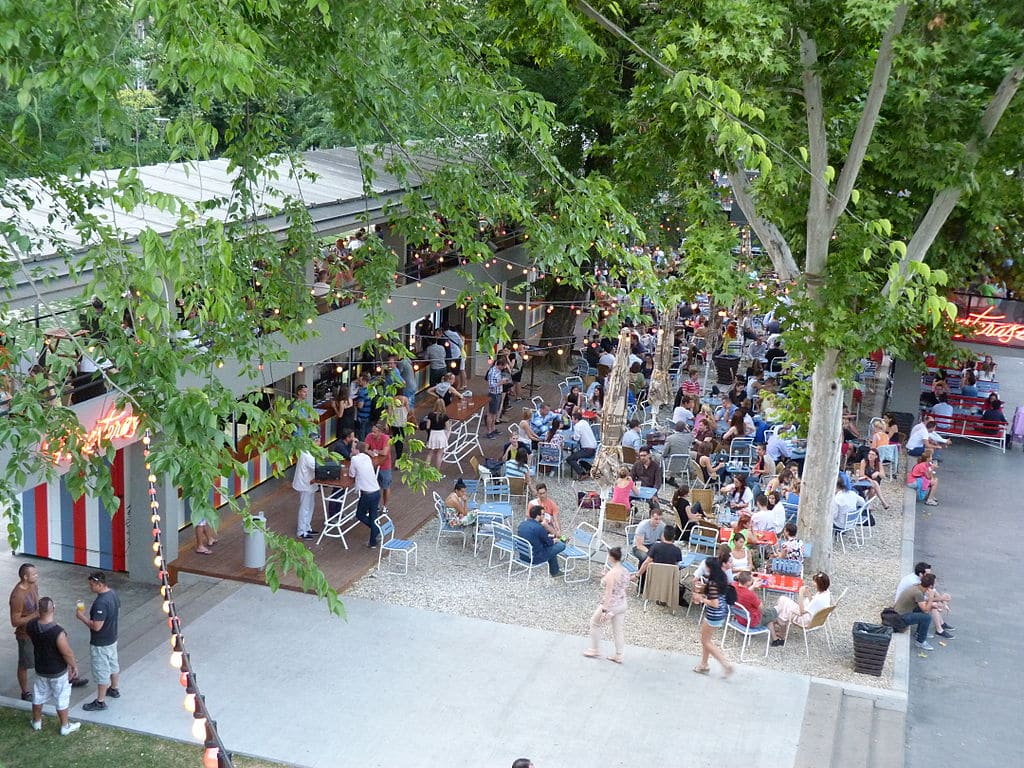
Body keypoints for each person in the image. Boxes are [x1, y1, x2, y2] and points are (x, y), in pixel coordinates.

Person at [27, 597, 81, 735]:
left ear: (39, 610)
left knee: (38, 695)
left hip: (41, 668)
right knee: (61, 696)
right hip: (57, 671)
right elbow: (66, 653)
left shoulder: (31, 625)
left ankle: (37, 722)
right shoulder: (58, 632)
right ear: (54, 609)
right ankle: (65, 726)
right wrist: (73, 665)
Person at [77, 571, 120, 711]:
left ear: (100, 584)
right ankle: (113, 689)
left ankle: (100, 701)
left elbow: (96, 626)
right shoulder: (113, 594)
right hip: (112, 638)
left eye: (92, 584)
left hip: (101, 643)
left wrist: (81, 617)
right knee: (113, 664)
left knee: (102, 671)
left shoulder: (101, 603)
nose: (89, 587)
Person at [584, 546, 631, 663]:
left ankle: (594, 649)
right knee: (618, 630)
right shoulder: (625, 571)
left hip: (612, 605)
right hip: (622, 603)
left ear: (611, 557)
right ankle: (619, 655)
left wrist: (605, 610)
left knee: (595, 623)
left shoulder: (611, 574)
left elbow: (608, 593)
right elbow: (622, 587)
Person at [691, 556, 734, 676]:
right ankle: (704, 664)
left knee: (705, 641)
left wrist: (701, 599)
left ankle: (725, 664)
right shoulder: (721, 577)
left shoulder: (713, 583)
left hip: (713, 614)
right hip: (721, 612)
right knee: (706, 640)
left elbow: (714, 603)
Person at [769, 572, 831, 646]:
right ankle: (780, 623)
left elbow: (801, 612)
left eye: (815, 582)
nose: (813, 583)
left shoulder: (818, 599)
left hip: (804, 619)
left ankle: (780, 626)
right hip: (813, 617)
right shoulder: (826, 593)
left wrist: (801, 594)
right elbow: (812, 603)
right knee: (784, 604)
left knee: (783, 600)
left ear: (819, 584)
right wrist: (808, 593)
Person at [895, 573, 950, 651]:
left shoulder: (918, 587)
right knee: (926, 618)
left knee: (927, 609)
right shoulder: (918, 593)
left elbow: (923, 603)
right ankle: (920, 641)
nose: (937, 584)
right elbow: (926, 609)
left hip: (901, 611)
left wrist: (934, 604)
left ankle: (919, 633)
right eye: (935, 583)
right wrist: (931, 597)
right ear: (930, 586)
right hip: (901, 617)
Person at [517, 506, 566, 577]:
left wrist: (549, 538)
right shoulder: (539, 527)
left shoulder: (523, 524)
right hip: (535, 558)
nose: (544, 516)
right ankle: (555, 572)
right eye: (543, 514)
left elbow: (535, 537)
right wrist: (555, 540)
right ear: (537, 516)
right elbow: (549, 543)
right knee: (561, 545)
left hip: (523, 555)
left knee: (550, 547)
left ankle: (555, 571)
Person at [349, 441, 382, 547]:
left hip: (367, 494)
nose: (351, 450)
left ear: (357, 450)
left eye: (353, 448)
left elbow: (352, 473)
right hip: (376, 491)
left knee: (360, 514)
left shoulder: (354, 459)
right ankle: (373, 542)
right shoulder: (367, 457)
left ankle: (376, 530)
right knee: (373, 516)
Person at [365, 421, 394, 512]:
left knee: (386, 486)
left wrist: (375, 450)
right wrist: (371, 452)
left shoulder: (386, 439)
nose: (372, 434)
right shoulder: (369, 436)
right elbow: (366, 449)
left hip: (385, 465)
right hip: (374, 464)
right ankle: (376, 505)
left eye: (375, 432)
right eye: (372, 431)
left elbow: (385, 453)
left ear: (380, 432)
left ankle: (385, 506)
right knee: (374, 486)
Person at [292, 450, 319, 539]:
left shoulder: (308, 453)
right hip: (305, 485)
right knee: (305, 507)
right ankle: (301, 531)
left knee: (310, 506)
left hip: (309, 484)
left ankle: (307, 527)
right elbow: (316, 467)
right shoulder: (307, 455)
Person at [566, 411, 597, 479]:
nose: (572, 420)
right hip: (593, 448)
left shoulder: (577, 426)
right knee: (577, 456)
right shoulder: (585, 422)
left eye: (573, 419)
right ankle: (589, 469)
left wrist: (572, 437)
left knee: (569, 459)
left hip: (587, 450)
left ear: (576, 419)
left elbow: (576, 438)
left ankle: (582, 473)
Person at [424, 397, 450, 473]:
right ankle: (437, 472)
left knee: (430, 454)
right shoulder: (445, 416)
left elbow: (428, 426)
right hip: (441, 434)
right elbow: (447, 428)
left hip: (433, 434)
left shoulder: (430, 415)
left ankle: (426, 470)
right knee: (439, 454)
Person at [485, 358, 508, 439]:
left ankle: (493, 428)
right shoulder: (492, 372)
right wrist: (501, 382)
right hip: (493, 394)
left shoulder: (498, 371)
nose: (504, 368)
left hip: (498, 393)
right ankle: (489, 431)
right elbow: (491, 385)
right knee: (491, 413)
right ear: (500, 365)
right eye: (504, 366)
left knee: (495, 412)